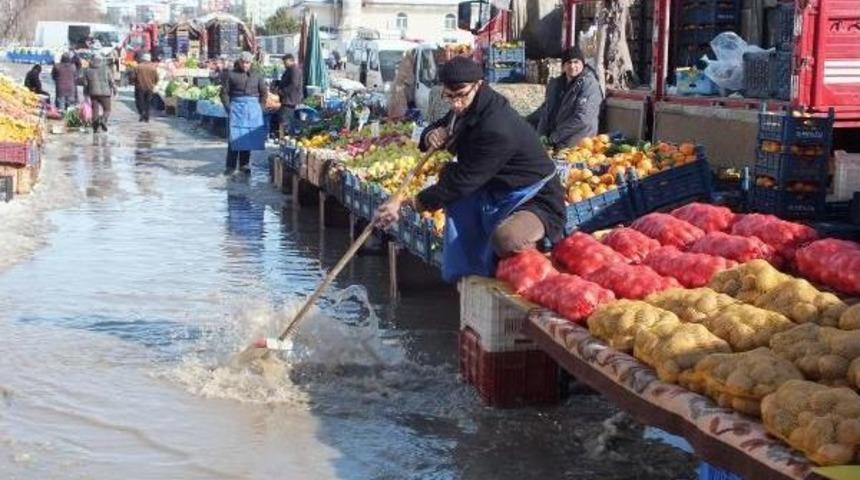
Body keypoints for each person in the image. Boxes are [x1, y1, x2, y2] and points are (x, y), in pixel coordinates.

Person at [373, 57, 566, 283]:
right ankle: (475, 268)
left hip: (535, 199)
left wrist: (409, 203)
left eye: (461, 95)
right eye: (449, 96)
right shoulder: (467, 107)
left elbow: (461, 183)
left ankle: (537, 264)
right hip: (495, 189)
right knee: (450, 181)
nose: (456, 104)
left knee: (506, 239)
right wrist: (431, 135)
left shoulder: (496, 126)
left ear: (478, 85)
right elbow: (440, 125)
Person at [537, 46, 603, 149]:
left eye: (576, 62)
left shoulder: (589, 84)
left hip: (578, 144)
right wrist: (541, 134)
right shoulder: (556, 84)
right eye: (569, 62)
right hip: (556, 141)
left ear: (582, 64)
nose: (572, 66)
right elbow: (546, 111)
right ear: (563, 66)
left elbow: (583, 118)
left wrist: (554, 137)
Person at [220, 51, 268, 175]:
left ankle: (244, 165)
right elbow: (224, 93)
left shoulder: (257, 75)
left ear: (251, 63)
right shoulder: (231, 75)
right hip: (237, 109)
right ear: (240, 62)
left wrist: (261, 108)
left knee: (247, 137)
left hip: (252, 110)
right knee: (234, 138)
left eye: (248, 63)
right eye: (243, 62)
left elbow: (264, 93)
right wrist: (229, 108)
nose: (245, 65)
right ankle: (230, 166)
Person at [81, 56, 116, 133]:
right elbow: (111, 81)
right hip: (105, 93)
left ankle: (95, 128)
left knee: (95, 110)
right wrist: (115, 90)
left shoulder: (88, 71)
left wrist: (85, 94)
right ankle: (103, 120)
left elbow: (85, 84)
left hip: (93, 93)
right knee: (107, 109)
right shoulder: (106, 69)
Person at [278, 54, 303, 138]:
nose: (284, 64)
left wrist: (282, 92)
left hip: (290, 100)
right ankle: (283, 137)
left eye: (285, 62)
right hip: (288, 99)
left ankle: (283, 138)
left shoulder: (294, 70)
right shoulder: (290, 69)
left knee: (284, 121)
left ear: (291, 61)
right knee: (284, 119)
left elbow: (293, 84)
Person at [132, 53, 159, 122]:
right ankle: (147, 116)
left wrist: (134, 82)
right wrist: (153, 84)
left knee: (140, 101)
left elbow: (133, 77)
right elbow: (156, 78)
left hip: (139, 87)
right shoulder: (153, 68)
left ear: (142, 59)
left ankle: (142, 112)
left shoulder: (138, 67)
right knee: (148, 102)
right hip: (149, 87)